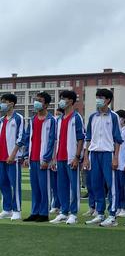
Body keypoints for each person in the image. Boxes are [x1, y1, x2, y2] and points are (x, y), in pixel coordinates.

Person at [83, 88, 123, 226]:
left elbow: (118, 139)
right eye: (97, 97)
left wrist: (116, 157)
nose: (98, 99)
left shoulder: (113, 117)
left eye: (101, 97)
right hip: (94, 153)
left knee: (111, 185)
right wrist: (86, 157)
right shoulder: (92, 117)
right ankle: (100, 213)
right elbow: (88, 137)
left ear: (108, 100)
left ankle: (112, 216)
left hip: (108, 153)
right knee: (96, 184)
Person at [50, 90, 85, 225]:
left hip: (71, 158)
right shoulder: (59, 119)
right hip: (60, 157)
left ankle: (73, 213)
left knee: (74, 187)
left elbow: (81, 138)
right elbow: (56, 140)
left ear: (70, 101)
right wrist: (54, 158)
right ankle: (63, 212)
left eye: (63, 98)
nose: (61, 101)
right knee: (61, 187)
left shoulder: (76, 118)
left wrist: (77, 157)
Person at [22, 92, 57, 222]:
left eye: (40, 100)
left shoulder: (51, 120)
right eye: (36, 100)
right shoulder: (32, 120)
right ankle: (34, 212)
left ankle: (44, 213)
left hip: (43, 160)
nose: (36, 102)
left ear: (46, 104)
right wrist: (26, 156)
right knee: (35, 187)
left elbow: (53, 140)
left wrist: (47, 159)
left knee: (44, 187)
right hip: (32, 158)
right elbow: (27, 138)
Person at [0, 93, 25, 221]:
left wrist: (14, 154)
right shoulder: (1, 119)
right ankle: (7, 209)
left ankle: (17, 210)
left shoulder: (18, 118)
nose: (2, 104)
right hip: (1, 157)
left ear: (11, 103)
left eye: (4, 101)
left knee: (14, 184)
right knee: (2, 184)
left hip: (12, 157)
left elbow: (21, 137)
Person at [49, 107, 64, 215]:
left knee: (63, 184)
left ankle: (64, 207)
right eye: (55, 114)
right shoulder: (54, 125)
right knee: (54, 185)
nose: (56, 116)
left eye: (58, 114)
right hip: (54, 158)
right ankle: (55, 205)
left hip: (64, 158)